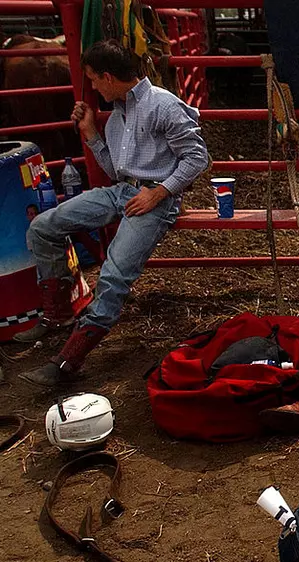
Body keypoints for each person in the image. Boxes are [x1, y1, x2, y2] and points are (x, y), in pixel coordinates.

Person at [17, 39, 208, 387]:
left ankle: (68, 361)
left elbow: (197, 158)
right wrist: (90, 132)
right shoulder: (119, 112)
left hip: (156, 197)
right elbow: (115, 168)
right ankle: (59, 314)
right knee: (44, 227)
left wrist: (160, 192)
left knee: (114, 275)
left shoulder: (163, 105)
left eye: (92, 79)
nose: (91, 87)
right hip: (123, 191)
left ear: (107, 76)